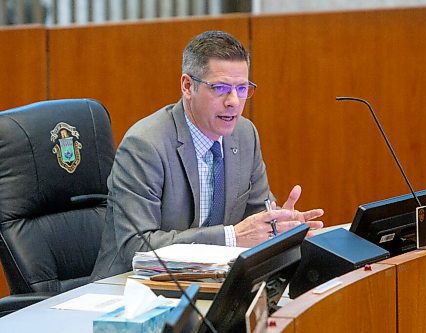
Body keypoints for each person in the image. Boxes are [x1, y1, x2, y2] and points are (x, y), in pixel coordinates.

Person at [91, 30, 323, 280]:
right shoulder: (145, 145)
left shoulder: (245, 135)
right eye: (221, 88)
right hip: (130, 290)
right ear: (188, 86)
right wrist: (231, 238)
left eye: (242, 88)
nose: (233, 101)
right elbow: (137, 247)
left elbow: (255, 218)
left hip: (207, 284)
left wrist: (281, 225)